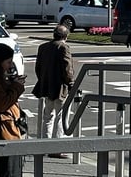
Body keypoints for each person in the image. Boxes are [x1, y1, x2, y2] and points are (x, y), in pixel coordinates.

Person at [0, 43, 27, 177]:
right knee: (10, 170)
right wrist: (16, 87)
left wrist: (12, 84)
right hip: (5, 129)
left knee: (11, 169)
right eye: (8, 62)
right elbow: (2, 103)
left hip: (7, 127)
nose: (10, 65)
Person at [34, 24, 74, 159]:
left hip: (46, 86)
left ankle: (45, 145)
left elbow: (38, 68)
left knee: (47, 116)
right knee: (61, 116)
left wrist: (43, 80)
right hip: (60, 87)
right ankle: (57, 148)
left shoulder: (43, 47)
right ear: (66, 36)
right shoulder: (64, 47)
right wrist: (71, 82)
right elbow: (67, 68)